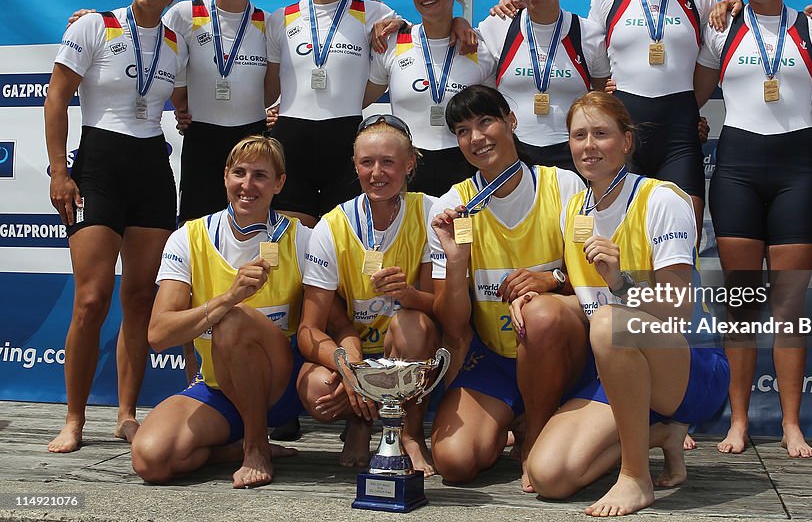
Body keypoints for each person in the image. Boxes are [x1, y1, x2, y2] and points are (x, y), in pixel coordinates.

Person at [517, 91, 728, 516]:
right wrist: (536, 292)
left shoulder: (663, 199)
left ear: (626, 142)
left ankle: (636, 478)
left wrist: (621, 282)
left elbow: (676, 311)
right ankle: (660, 435)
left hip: (690, 369)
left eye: (601, 134)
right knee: (549, 477)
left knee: (612, 323)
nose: (589, 145)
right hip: (620, 367)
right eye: (579, 135)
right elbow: (584, 297)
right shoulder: (575, 207)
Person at [693, 0, 812, 458]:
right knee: (741, 303)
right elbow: (694, 95)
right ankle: (737, 422)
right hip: (736, 170)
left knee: (788, 305)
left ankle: (792, 425)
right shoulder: (723, 26)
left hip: (797, 169)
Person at [43, 0, 189, 453]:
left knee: (141, 300)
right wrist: (60, 172)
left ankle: (127, 414)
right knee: (91, 298)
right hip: (98, 166)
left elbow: (187, 99)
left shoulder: (177, 42)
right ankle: (75, 418)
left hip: (152, 168)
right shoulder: (93, 25)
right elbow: (57, 96)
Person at [429, 85, 587, 489]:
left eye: (486, 122)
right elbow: (452, 324)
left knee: (539, 313)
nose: (476, 138)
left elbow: (599, 283)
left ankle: (536, 431)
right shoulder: (452, 205)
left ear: (511, 121)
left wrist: (551, 280)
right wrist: (457, 259)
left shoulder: (564, 187)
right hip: (496, 360)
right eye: (463, 130)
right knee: (454, 463)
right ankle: (514, 420)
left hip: (561, 356)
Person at [131, 136, 308, 488]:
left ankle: (256, 448)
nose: (247, 184)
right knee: (150, 459)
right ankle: (232, 448)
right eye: (239, 173)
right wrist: (227, 298)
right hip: (218, 387)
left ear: (279, 183)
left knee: (233, 323)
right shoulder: (188, 237)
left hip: (280, 389)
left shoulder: (302, 237)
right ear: (225, 176)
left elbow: (327, 320)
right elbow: (158, 334)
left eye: (260, 175)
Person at [296, 114, 440, 474]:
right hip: (356, 349)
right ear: (355, 165)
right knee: (316, 391)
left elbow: (445, 310)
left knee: (413, 324)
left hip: (410, 350)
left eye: (388, 162)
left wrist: (408, 293)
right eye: (367, 162)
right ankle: (360, 423)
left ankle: (408, 434)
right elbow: (308, 330)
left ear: (409, 165)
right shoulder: (332, 225)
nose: (377, 173)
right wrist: (349, 368)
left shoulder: (430, 211)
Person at [587, 0, 717, 243]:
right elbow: (586, 52)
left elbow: (718, 51)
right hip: (622, 132)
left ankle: (676, 299)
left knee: (682, 236)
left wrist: (692, 106)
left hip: (679, 134)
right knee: (618, 242)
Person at [265, 0, 398, 227]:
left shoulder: (376, 14)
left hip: (346, 141)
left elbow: (421, 43)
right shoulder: (280, 18)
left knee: (345, 249)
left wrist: (460, 22)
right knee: (290, 251)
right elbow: (268, 87)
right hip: (290, 142)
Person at [365, 0, 495, 196]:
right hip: (408, 169)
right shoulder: (393, 42)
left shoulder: (478, 46)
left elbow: (496, 113)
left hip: (465, 169)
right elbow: (357, 99)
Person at [165, 0, 269, 223]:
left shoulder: (268, 22)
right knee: (197, 230)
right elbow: (148, 42)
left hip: (252, 136)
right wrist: (94, 17)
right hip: (202, 138)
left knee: (252, 226)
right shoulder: (184, 14)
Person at [479, 0, 610, 170]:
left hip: (572, 155)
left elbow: (600, 98)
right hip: (513, 152)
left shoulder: (588, 33)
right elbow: (454, 40)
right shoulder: (497, 25)